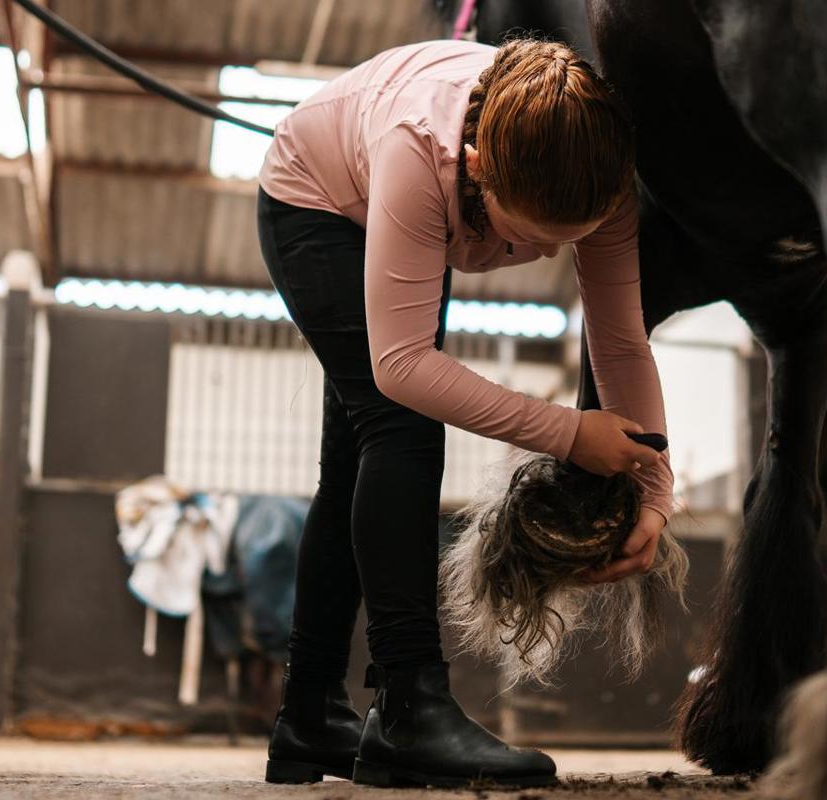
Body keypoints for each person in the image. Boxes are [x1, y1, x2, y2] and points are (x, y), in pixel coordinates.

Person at [255, 36, 674, 788]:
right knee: (400, 424)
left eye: (570, 241)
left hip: (416, 196)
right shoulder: (422, 150)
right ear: (479, 166)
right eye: (529, 237)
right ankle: (408, 707)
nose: (550, 256)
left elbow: (618, 341)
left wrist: (654, 491)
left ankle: (309, 715)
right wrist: (569, 433)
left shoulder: (602, 175)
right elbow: (402, 365)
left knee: (354, 459)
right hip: (315, 196)